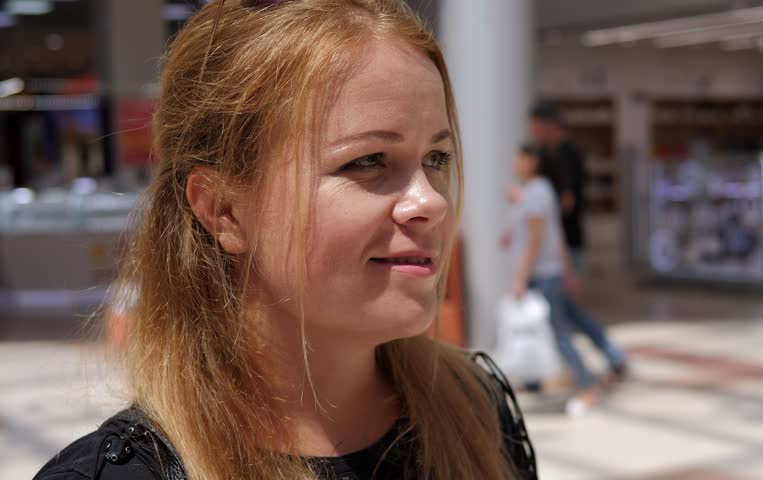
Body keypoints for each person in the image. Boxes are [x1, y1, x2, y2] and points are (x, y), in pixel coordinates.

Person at [33, 1, 536, 479]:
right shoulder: (124, 473)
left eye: (437, 158)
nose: (431, 202)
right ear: (224, 211)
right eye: (367, 161)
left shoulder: (477, 413)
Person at [506, 145, 626, 417]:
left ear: (532, 161)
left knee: (558, 332)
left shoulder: (535, 193)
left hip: (543, 276)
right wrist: (568, 270)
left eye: (519, 157)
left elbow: (537, 238)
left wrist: (520, 276)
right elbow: (553, 234)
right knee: (572, 319)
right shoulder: (539, 191)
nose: (515, 162)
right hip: (551, 273)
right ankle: (535, 380)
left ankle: (587, 386)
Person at [529, 101, 587, 269]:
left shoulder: (569, 154)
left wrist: (539, 216)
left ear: (550, 125)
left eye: (536, 127)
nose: (533, 132)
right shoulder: (544, 154)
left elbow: (567, 202)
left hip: (567, 243)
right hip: (550, 244)